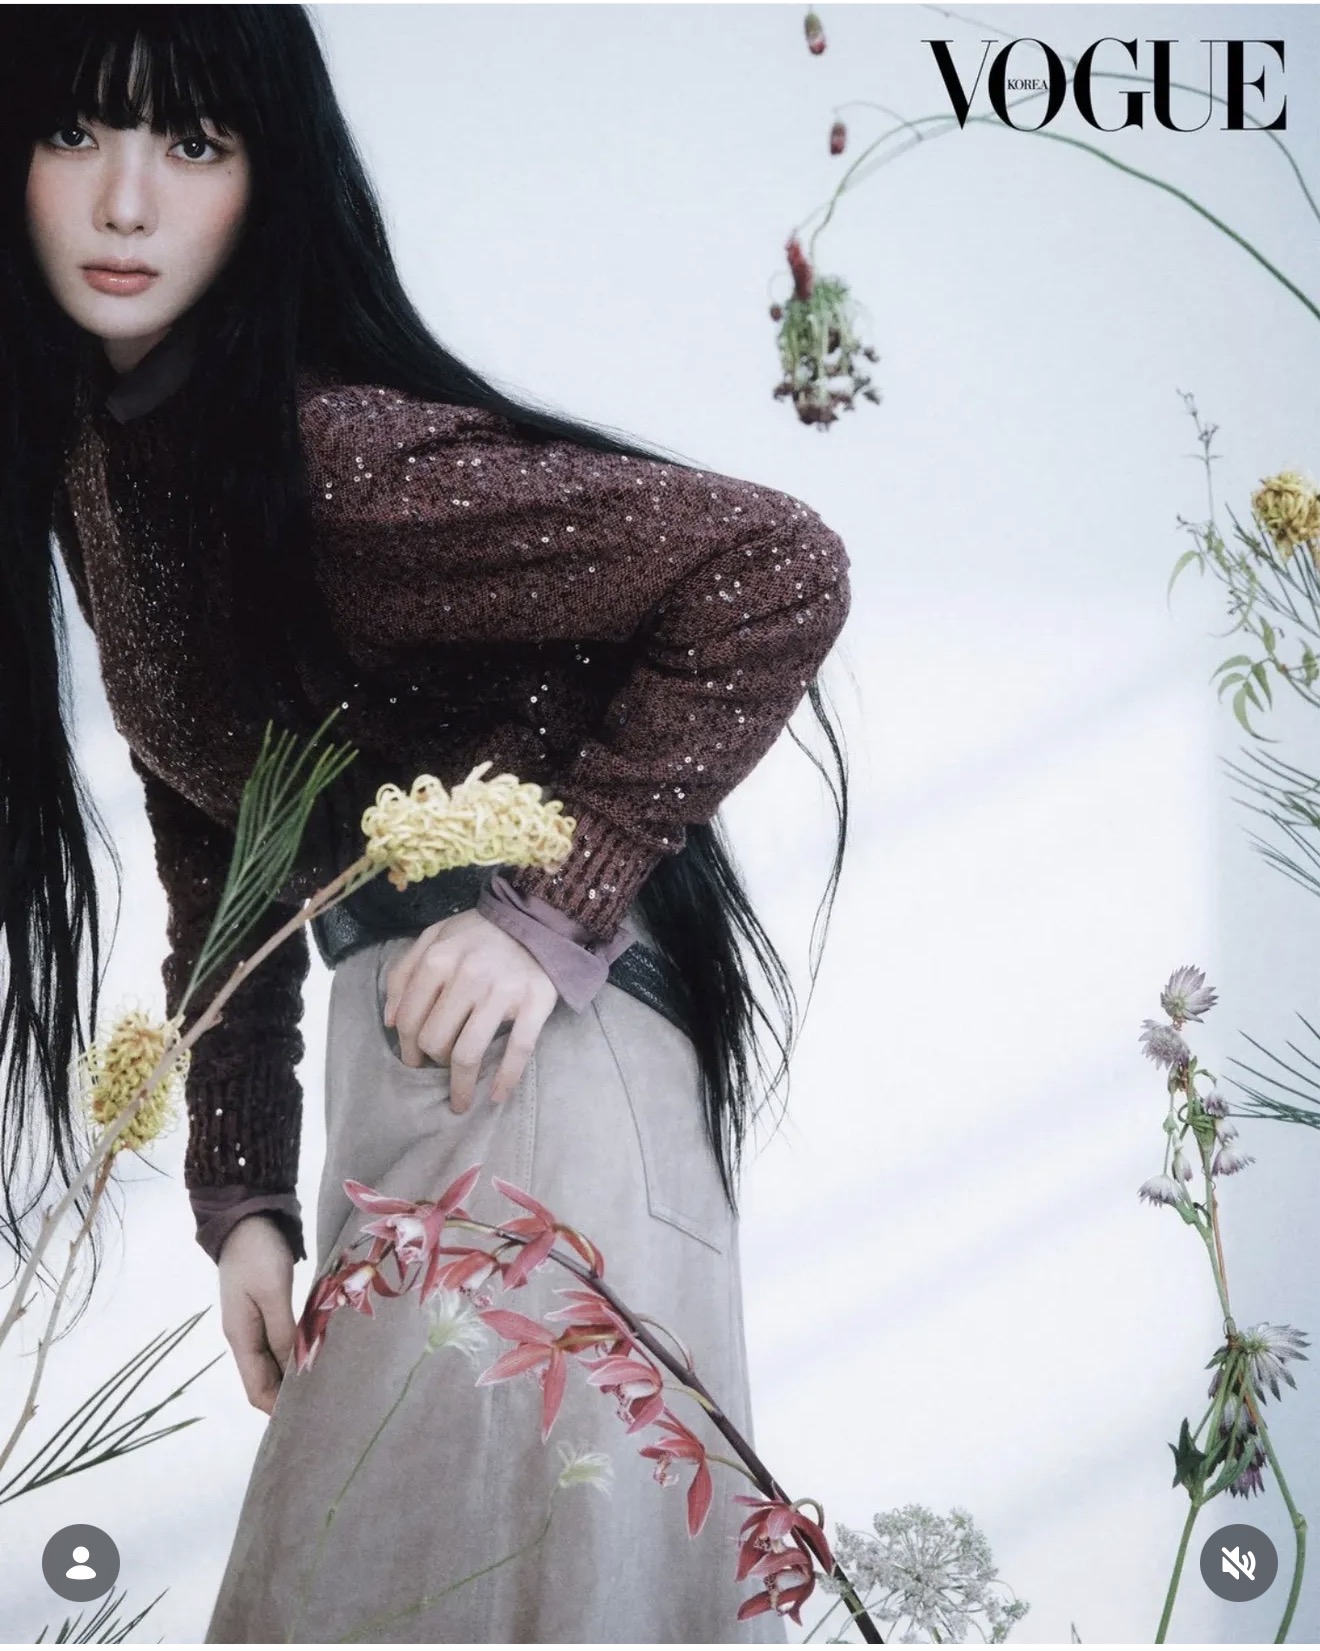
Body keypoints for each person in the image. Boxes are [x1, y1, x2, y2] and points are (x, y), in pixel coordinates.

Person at [2, 5, 852, 1641]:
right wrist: (240, 1198)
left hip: (543, 1081)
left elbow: (776, 563)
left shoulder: (331, 457)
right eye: (74, 132)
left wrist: (552, 906)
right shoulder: (115, 474)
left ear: (270, 178)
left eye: (194, 142)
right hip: (412, 1082)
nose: (125, 201)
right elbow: (223, 848)